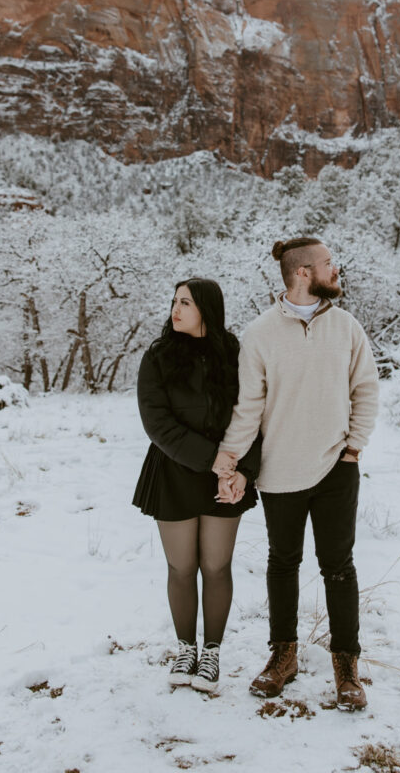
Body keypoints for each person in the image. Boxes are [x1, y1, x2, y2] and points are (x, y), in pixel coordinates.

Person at [213, 237, 379, 711]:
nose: (336, 268)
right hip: (280, 471)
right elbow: (249, 408)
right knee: (282, 564)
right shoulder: (261, 334)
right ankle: (282, 657)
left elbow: (366, 389)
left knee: (339, 568)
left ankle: (346, 667)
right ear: (303, 272)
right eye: (328, 263)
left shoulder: (346, 327)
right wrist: (228, 460)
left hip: (335, 469)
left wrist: (353, 447)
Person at [133, 277, 260, 693]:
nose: (176, 309)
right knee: (182, 567)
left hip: (228, 475)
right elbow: (157, 422)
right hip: (174, 471)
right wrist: (213, 461)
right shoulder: (158, 356)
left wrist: (243, 471)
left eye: (185, 302)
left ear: (207, 307)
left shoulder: (236, 354)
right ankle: (185, 648)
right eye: (174, 301)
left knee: (217, 566)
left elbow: (256, 414)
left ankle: (212, 653)